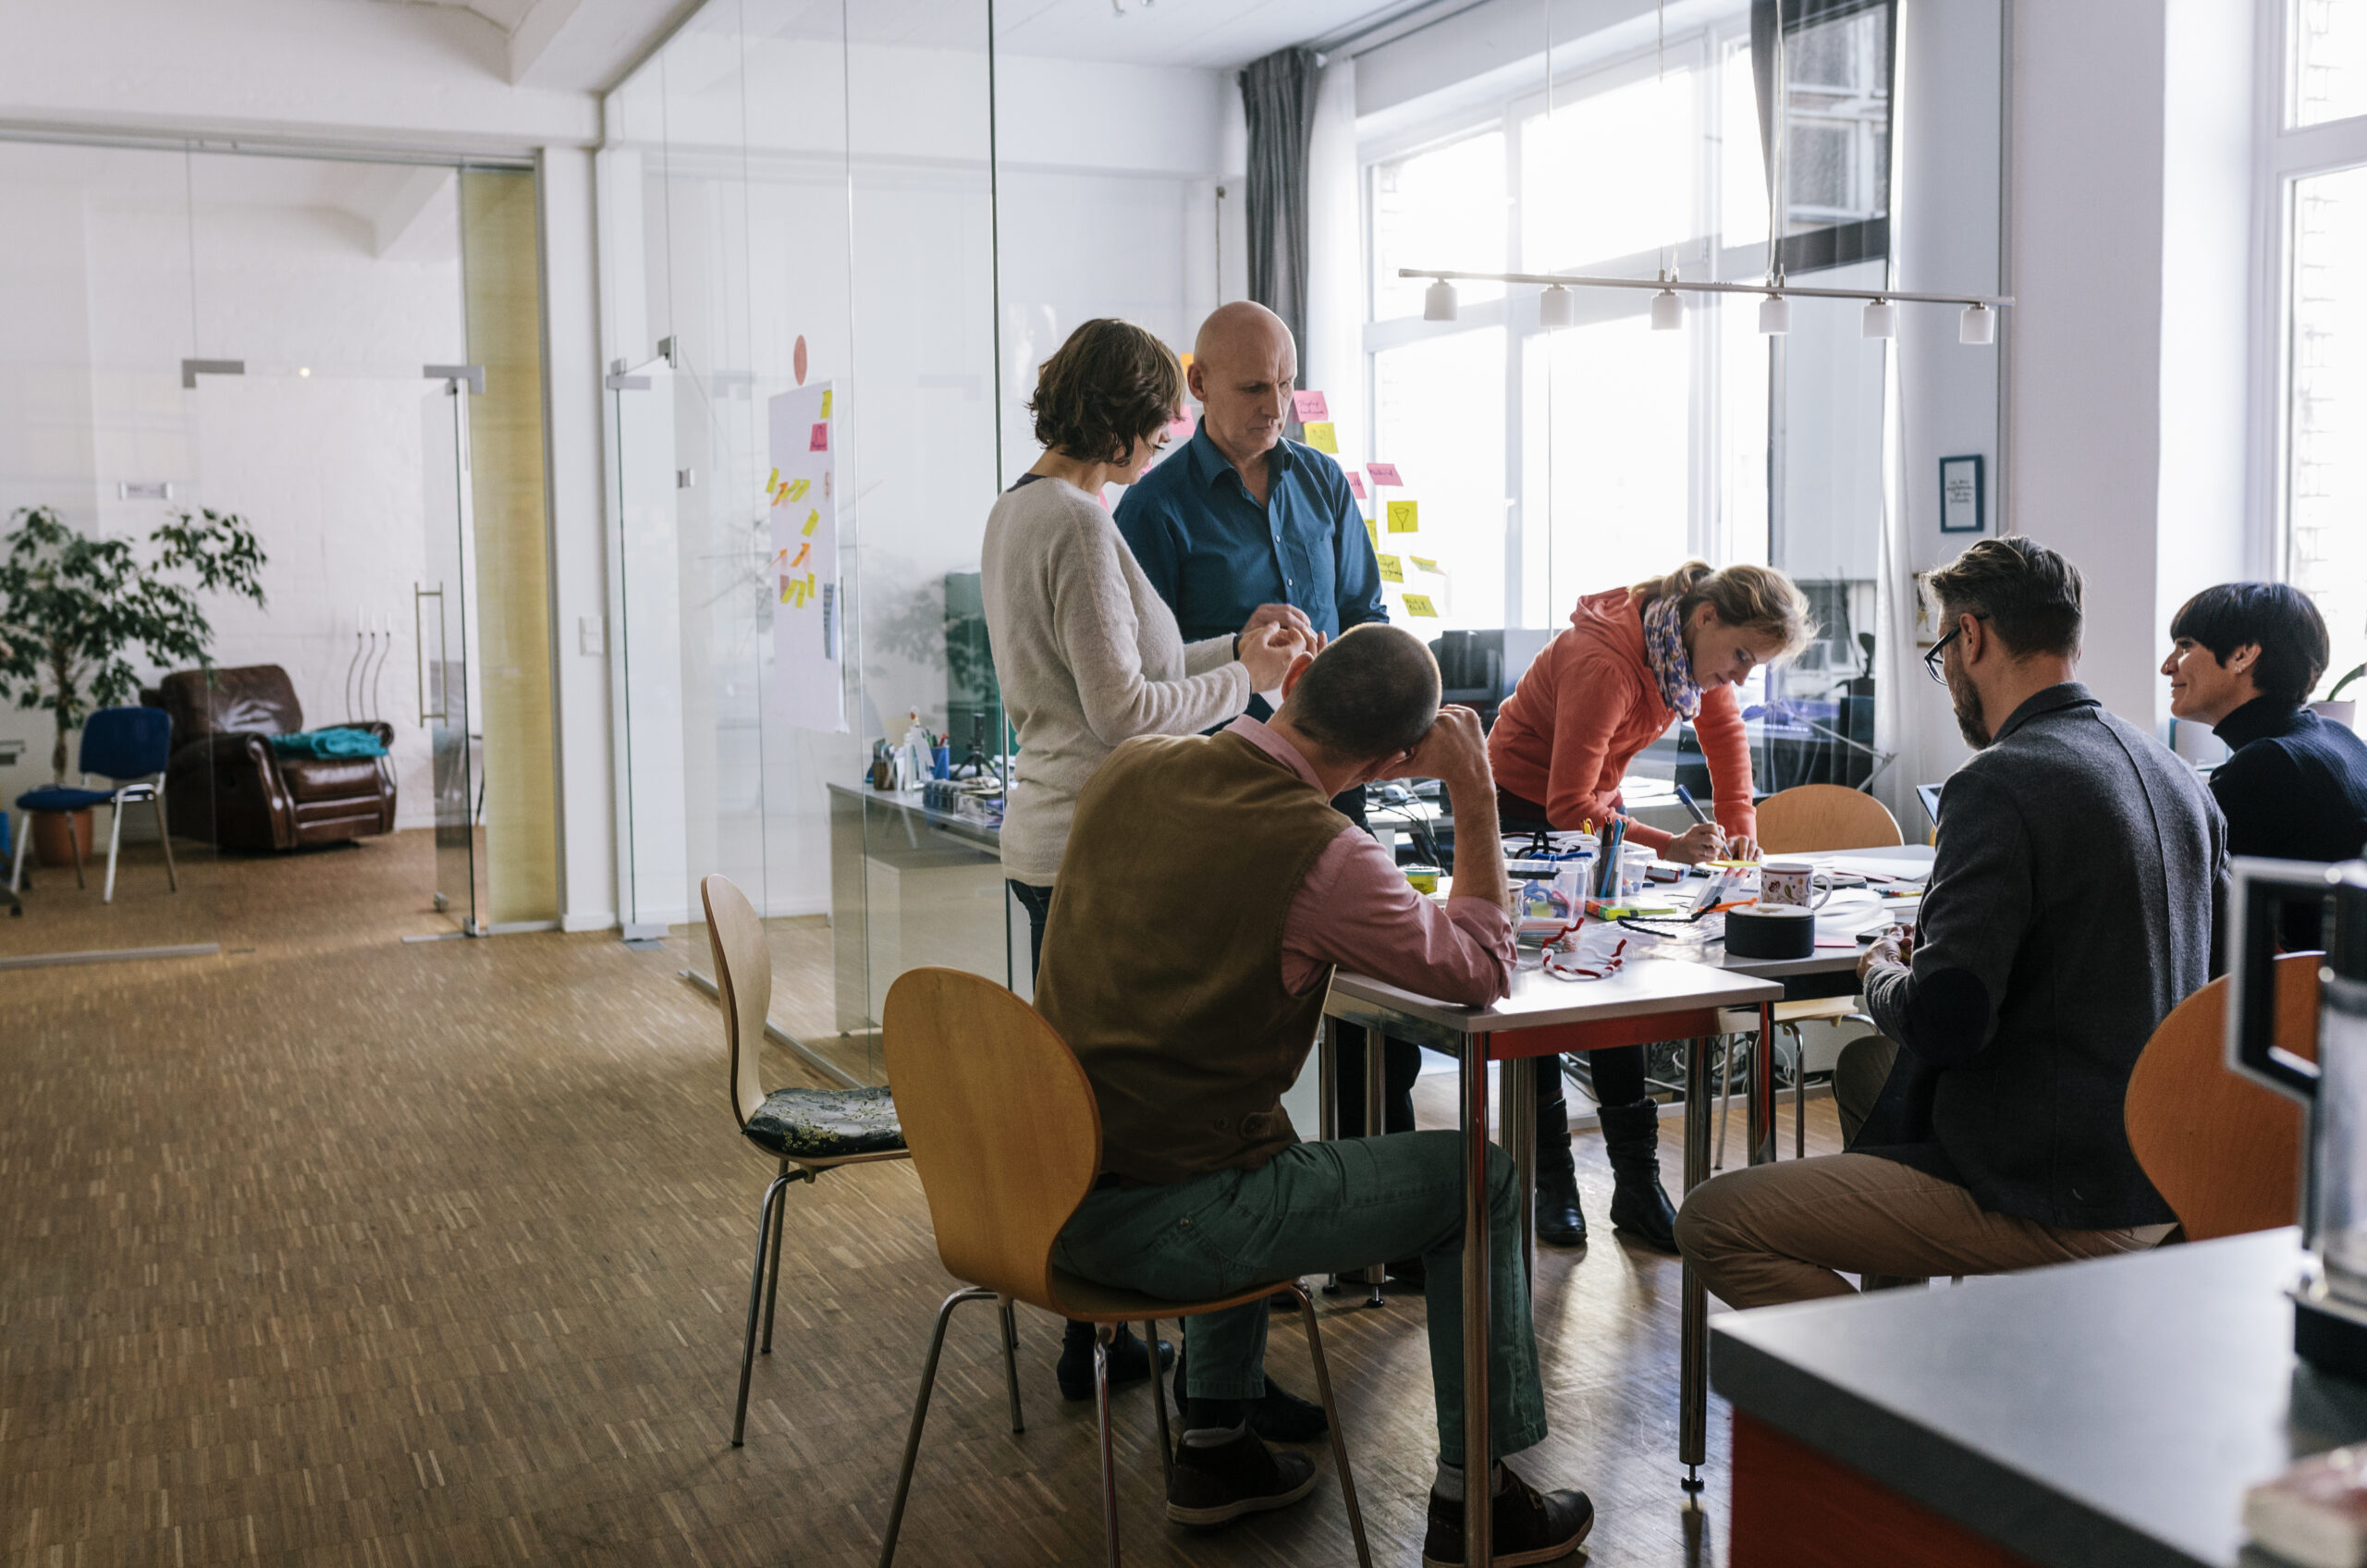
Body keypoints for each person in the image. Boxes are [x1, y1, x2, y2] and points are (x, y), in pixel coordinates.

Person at [1038, 624, 1594, 1565]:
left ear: (1295, 679)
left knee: (1249, 1129)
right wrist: (1473, 791)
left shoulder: (1129, 766)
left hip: (1040, 1188)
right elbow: (1483, 969)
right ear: (1391, 762)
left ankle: (1216, 1444)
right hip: (1165, 1223)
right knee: (1485, 1179)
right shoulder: (1326, 853)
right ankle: (1481, 1505)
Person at [1674, 537, 2223, 1308]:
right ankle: (1908, 1326)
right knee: (1871, 1072)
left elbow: (1946, 1023)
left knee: (1714, 1221)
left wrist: (1880, 975)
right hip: (2169, 1169)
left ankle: (1883, 1377)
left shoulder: (2000, 782)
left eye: (1942, 652)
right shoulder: (2178, 775)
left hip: (2055, 1189)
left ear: (1972, 636)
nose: (1949, 677)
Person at [981, 316, 1310, 1406]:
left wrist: (1239, 648)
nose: (1167, 437)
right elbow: (1125, 714)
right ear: (1121, 418)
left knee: (1090, 1093)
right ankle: (1157, 1343)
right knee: (1154, 1104)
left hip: (1056, 837)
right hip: (1100, 844)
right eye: (1159, 420)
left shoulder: (1020, 509)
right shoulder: (1079, 525)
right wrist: (1252, 684)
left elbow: (1134, 668)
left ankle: (1101, 1334)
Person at [1114, 301, 1421, 1274]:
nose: (1275, 406)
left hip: (1335, 781)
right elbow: (1146, 677)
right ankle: (1241, 1236)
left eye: (1287, 383)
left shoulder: (1321, 481)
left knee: (1380, 1001)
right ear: (1198, 384)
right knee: (1242, 1021)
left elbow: (1368, 611)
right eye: (1254, 387)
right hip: (1223, 797)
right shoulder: (1151, 510)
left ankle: (1382, 1226)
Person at [1486, 561, 1815, 1251]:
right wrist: (1672, 846)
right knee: (1536, 995)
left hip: (1590, 809)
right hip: (1519, 813)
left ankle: (1636, 1187)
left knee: (1612, 981)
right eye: (1742, 658)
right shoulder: (1605, 663)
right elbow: (1567, 805)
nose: (1740, 678)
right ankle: (1554, 1183)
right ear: (1707, 618)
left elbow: (1727, 744)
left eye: (1754, 668)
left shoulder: (1688, 662)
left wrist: (1740, 836)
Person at [2162, 582, 2367, 949]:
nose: (2167, 666)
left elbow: (2184, 903)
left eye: (2186, 645)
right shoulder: (2338, 737)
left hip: (2299, 981)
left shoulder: (2266, 765)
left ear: (2242, 655)